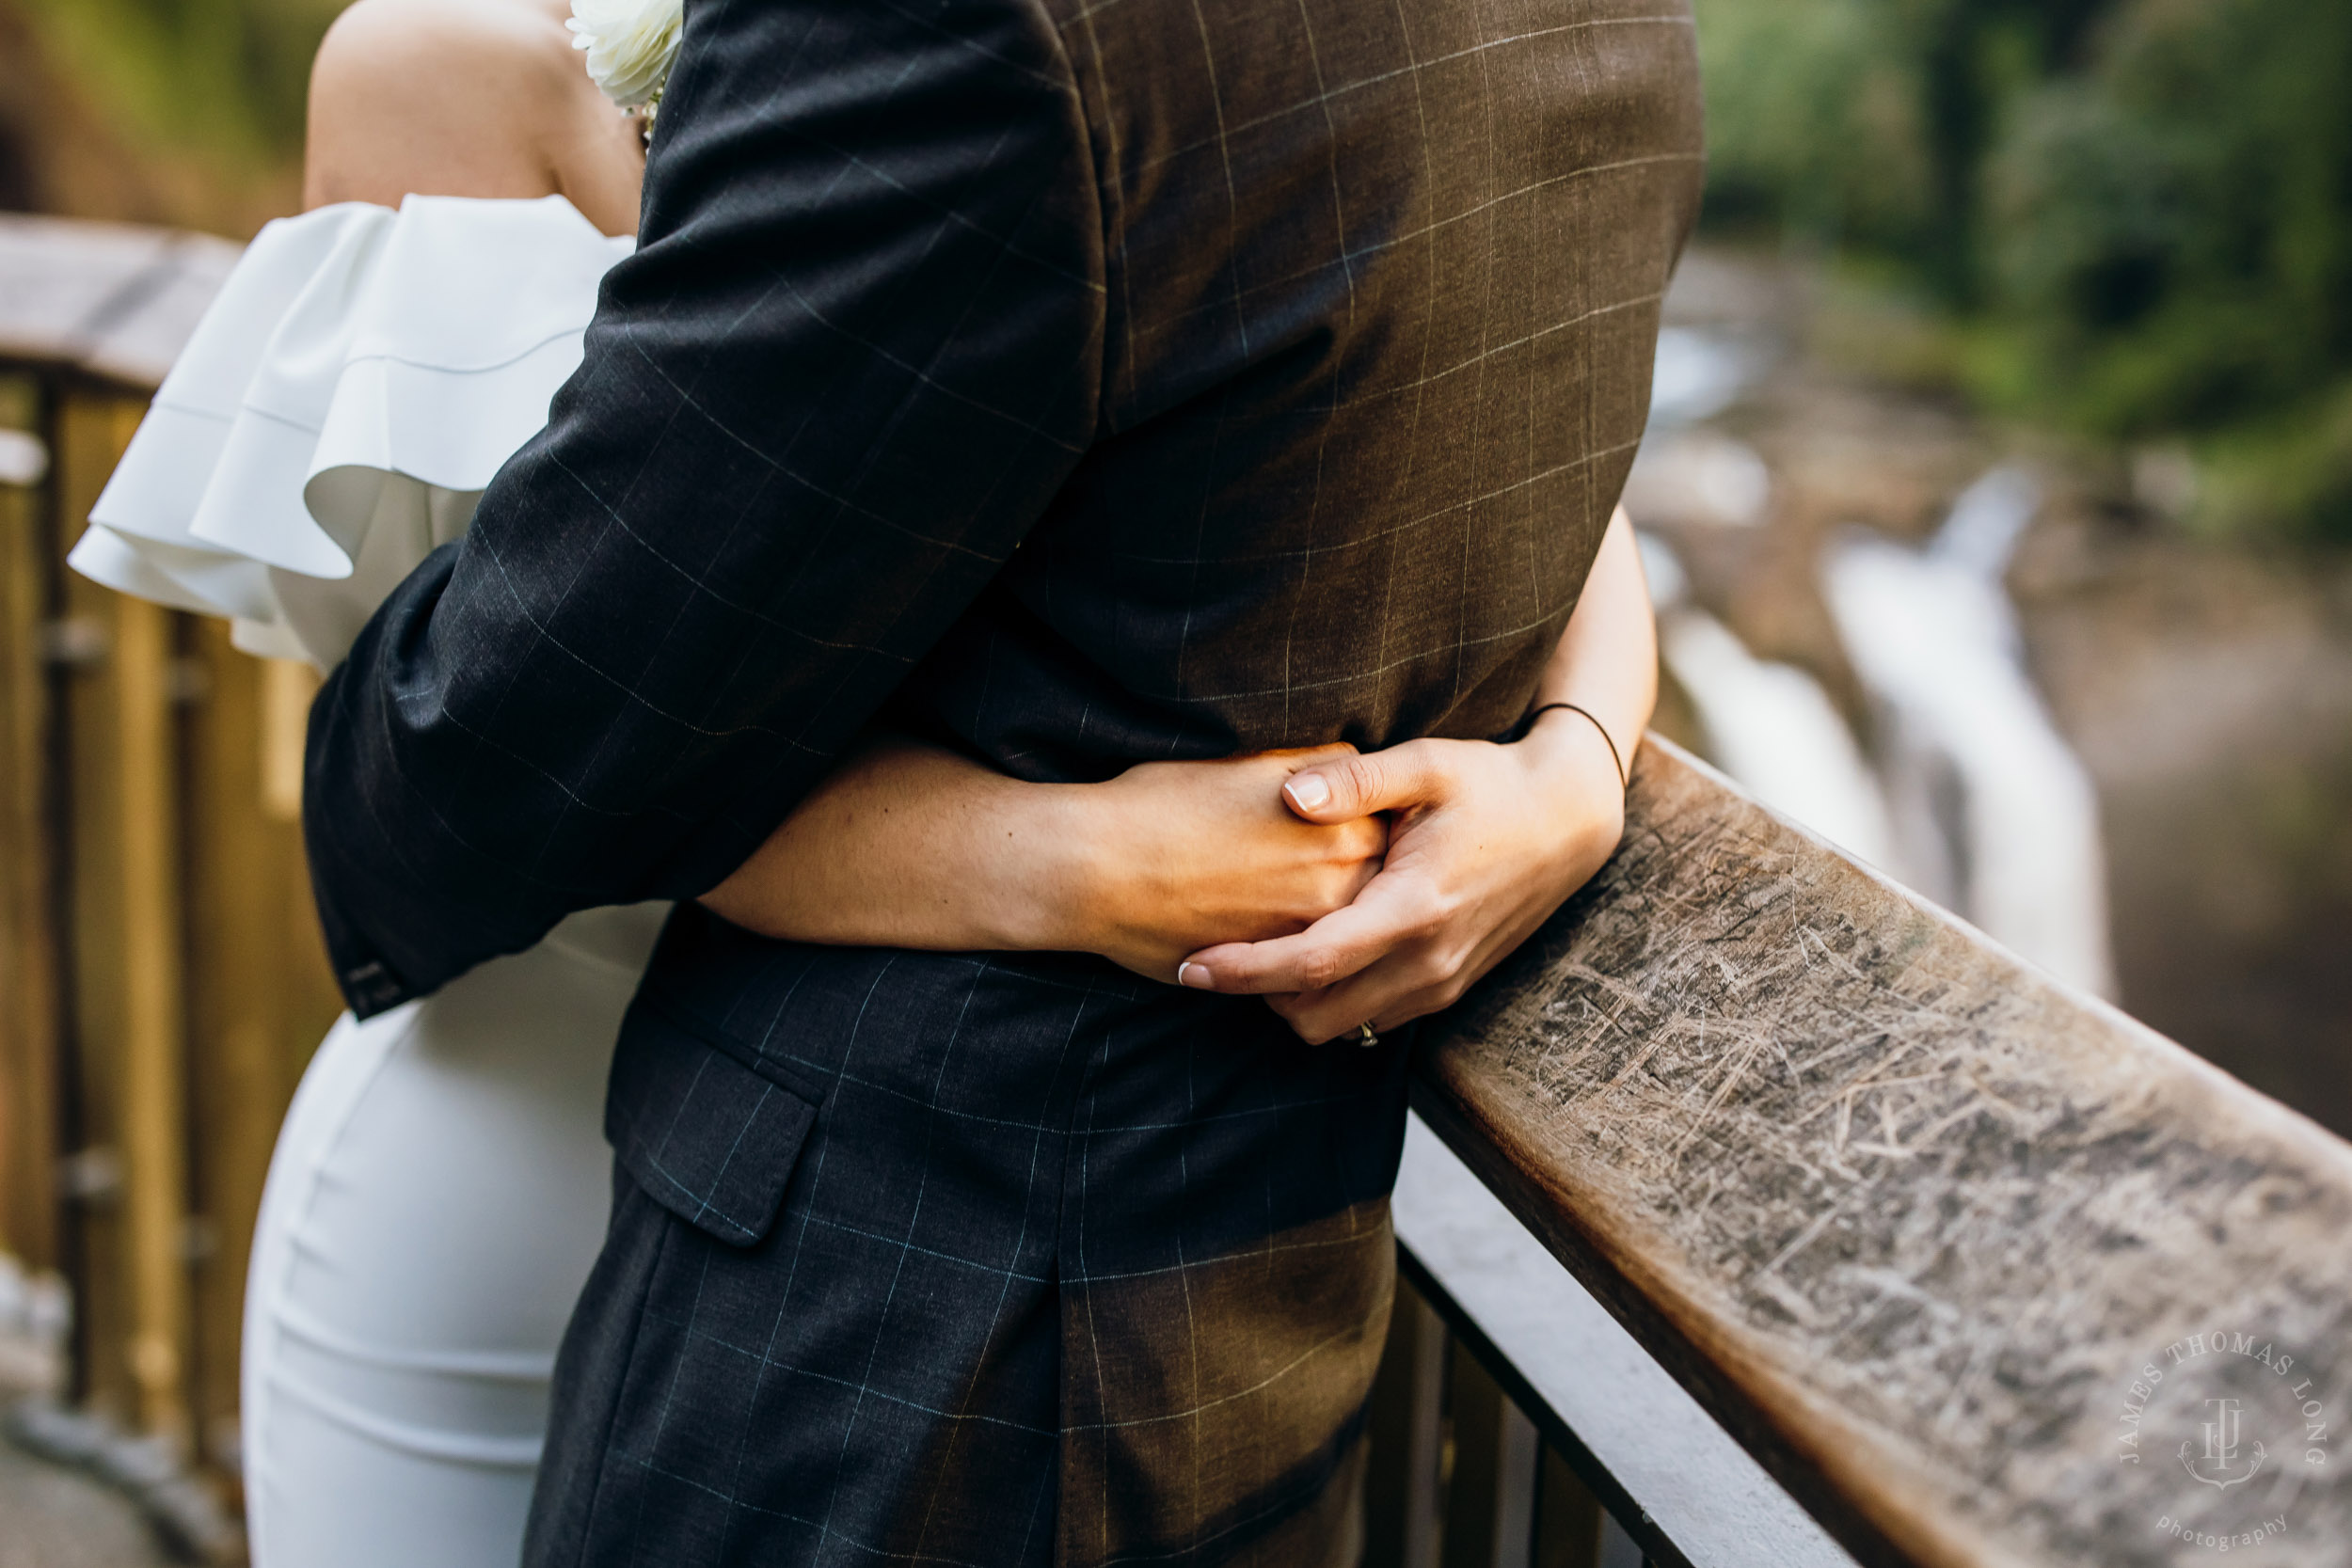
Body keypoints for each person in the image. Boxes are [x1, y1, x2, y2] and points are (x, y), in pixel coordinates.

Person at [78, 0, 1691, 1560]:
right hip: (578, 1131)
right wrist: (1073, 863)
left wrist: (1580, 763)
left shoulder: (960, 42)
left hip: (905, 1302)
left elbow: (467, 749)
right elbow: (494, 768)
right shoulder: (454, 65)